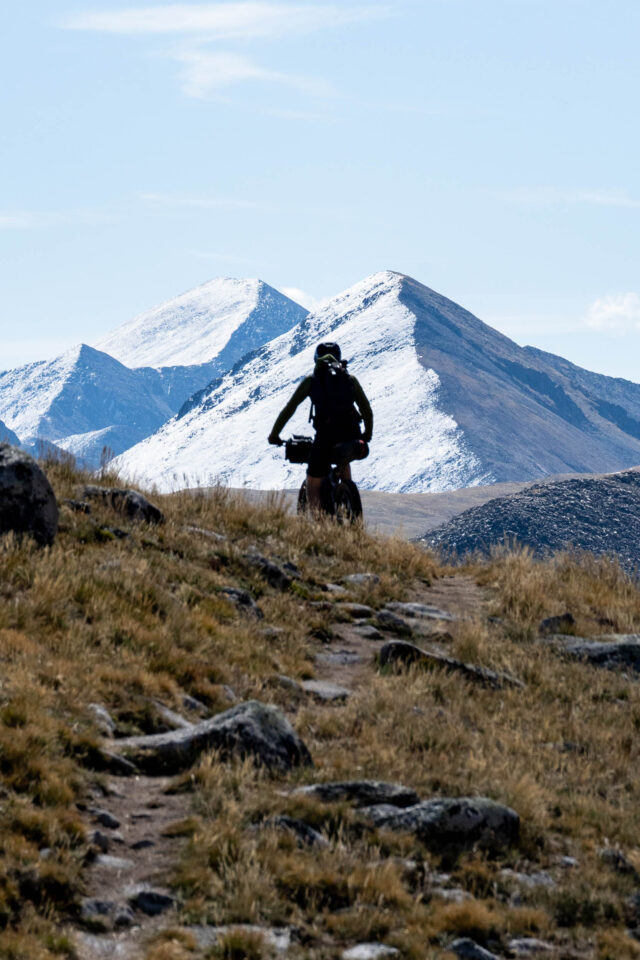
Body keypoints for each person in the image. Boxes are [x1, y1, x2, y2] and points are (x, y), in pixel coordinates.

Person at [268, 342, 373, 512]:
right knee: (344, 460)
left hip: (326, 436)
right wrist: (366, 434)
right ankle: (346, 495)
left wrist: (274, 434)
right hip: (351, 434)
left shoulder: (312, 380)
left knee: (313, 480)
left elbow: (290, 408)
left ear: (316, 359)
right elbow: (366, 410)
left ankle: (320, 524)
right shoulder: (350, 379)